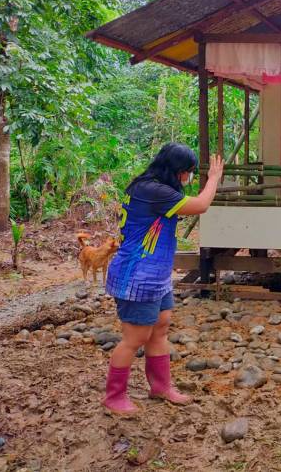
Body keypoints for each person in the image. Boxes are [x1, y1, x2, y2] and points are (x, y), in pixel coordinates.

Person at [102, 143, 224, 415]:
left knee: (161, 327)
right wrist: (214, 178)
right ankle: (114, 396)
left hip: (155, 275)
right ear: (176, 170)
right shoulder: (153, 191)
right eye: (188, 173)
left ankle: (161, 387)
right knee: (134, 338)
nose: (188, 178)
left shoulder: (152, 187)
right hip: (136, 276)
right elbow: (201, 204)